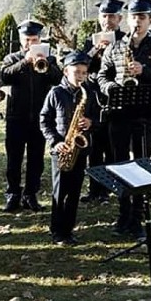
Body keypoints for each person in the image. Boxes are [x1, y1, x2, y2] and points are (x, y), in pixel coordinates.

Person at [97, 0, 151, 240]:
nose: (137, 22)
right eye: (133, 17)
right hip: (119, 114)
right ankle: (123, 213)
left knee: (141, 165)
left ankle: (138, 217)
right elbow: (101, 76)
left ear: (150, 20)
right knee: (120, 165)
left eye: (142, 17)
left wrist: (145, 71)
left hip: (144, 115)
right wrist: (110, 87)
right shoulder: (116, 46)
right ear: (127, 19)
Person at [0, 20, 62, 212]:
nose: (31, 44)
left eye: (34, 40)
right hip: (16, 116)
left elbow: (58, 78)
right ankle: (13, 194)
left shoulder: (48, 59)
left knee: (36, 159)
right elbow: (4, 76)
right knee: (14, 159)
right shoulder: (12, 58)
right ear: (21, 40)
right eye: (27, 40)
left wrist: (46, 63)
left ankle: (30, 194)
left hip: (40, 118)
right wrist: (25, 61)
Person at [40, 51, 101, 245]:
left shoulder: (89, 93)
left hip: (80, 148)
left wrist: (90, 122)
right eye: (77, 72)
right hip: (61, 149)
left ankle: (68, 229)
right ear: (66, 71)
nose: (81, 76)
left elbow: (99, 118)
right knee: (60, 191)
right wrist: (55, 141)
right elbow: (44, 120)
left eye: (84, 73)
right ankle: (57, 230)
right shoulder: (56, 92)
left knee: (75, 190)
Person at [79, 0, 125, 204]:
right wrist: (94, 51)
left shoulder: (124, 39)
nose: (107, 21)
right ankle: (94, 189)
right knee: (94, 147)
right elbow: (79, 64)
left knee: (112, 146)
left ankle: (110, 188)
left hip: (115, 97)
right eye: (104, 16)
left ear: (119, 19)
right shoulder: (91, 40)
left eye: (111, 17)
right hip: (94, 100)